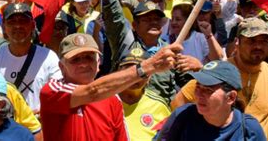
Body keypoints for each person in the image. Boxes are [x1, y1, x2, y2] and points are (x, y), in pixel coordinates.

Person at [40, 33, 181, 141]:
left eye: (89, 57)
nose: (83, 64)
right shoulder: (52, 90)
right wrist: (147, 67)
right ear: (61, 67)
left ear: (98, 62)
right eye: (75, 59)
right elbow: (93, 91)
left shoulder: (113, 99)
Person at [172, 18, 268, 134]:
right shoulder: (219, 71)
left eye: (263, 41)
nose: (258, 46)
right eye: (251, 41)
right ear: (237, 42)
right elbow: (179, 102)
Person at [157, 60, 266, 140]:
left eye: (208, 90)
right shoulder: (183, 116)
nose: (199, 95)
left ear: (231, 97)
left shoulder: (248, 129)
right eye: (198, 87)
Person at [0, 3, 61, 113]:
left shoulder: (48, 57)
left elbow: (58, 93)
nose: (18, 26)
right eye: (12, 22)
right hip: (6, 124)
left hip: (39, 123)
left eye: (23, 21)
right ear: (4, 26)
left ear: (33, 25)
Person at [117, 48, 172, 140]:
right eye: (129, 70)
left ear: (150, 76)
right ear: (118, 72)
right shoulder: (104, 102)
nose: (135, 76)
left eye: (141, 72)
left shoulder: (159, 106)